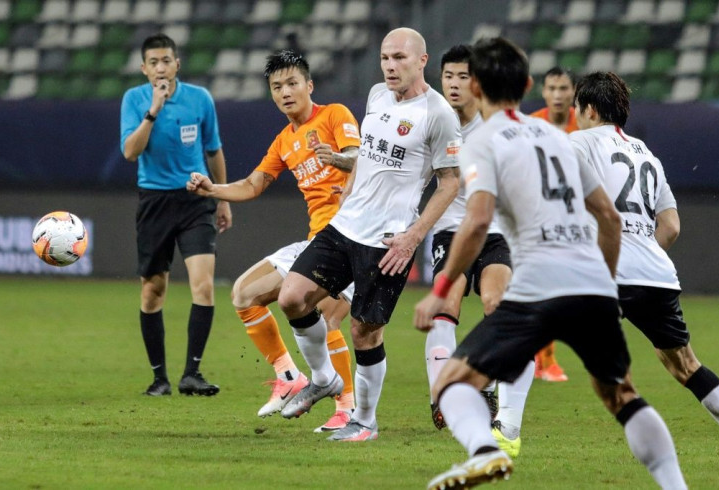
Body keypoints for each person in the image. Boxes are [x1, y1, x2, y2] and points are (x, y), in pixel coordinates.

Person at [415, 37, 686, 489]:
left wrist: (441, 289)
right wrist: (604, 280)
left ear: (477, 86)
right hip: (593, 284)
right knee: (621, 394)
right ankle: (676, 485)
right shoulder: (559, 138)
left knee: (452, 384)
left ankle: (486, 452)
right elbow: (608, 218)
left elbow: (477, 219)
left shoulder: (481, 140)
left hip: (539, 284)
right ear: (526, 85)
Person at [276, 27, 461, 442]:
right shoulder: (377, 95)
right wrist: (346, 199)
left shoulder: (438, 114)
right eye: (385, 58)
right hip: (344, 226)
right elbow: (366, 155)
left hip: (387, 241)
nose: (390, 66)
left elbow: (450, 183)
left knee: (364, 331)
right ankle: (323, 378)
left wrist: (413, 237)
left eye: (399, 58)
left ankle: (365, 420)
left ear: (422, 61)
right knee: (291, 297)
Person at [187, 50, 360, 432]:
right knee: (244, 294)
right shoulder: (284, 140)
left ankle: (348, 408)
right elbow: (253, 185)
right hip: (318, 240)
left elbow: (360, 159)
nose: (285, 92)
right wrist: (212, 189)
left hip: (354, 236)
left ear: (309, 86)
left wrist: (335, 158)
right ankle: (289, 376)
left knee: (326, 317)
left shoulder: (335, 115)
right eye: (277, 87)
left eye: (292, 83)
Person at [572, 71, 719, 431]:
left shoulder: (579, 143)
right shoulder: (648, 155)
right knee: (685, 365)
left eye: (578, 109)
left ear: (590, 109)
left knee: (528, 324)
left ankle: (500, 421)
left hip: (608, 273)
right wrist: (641, 249)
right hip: (656, 273)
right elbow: (671, 226)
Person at [427, 45, 531, 459]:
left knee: (497, 304)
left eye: (461, 76)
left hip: (495, 231)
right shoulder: (433, 122)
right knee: (444, 304)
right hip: (450, 230)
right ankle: (443, 396)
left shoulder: (496, 125)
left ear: (477, 81)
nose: (453, 84)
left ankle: (500, 406)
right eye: (447, 76)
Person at [121, 33, 232, 396]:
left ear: (177, 64)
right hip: (154, 201)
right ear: (143, 68)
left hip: (195, 197)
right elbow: (130, 152)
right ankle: (159, 378)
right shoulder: (135, 100)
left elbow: (213, 150)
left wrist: (223, 197)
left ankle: (192, 375)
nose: (160, 67)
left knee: (202, 284)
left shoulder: (200, 99)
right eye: (153, 62)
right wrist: (153, 109)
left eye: (166, 60)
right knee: (153, 291)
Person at [528, 66, 578, 382]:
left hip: (575, 221)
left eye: (564, 88)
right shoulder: (531, 125)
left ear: (573, 92)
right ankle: (544, 360)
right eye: (552, 88)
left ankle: (539, 355)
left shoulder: (586, 125)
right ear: (544, 92)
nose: (558, 95)